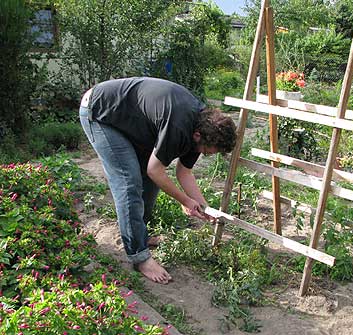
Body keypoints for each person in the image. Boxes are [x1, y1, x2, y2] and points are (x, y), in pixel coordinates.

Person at [79, 77, 236, 284]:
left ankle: (140, 236)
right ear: (198, 136)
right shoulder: (179, 126)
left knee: (150, 182)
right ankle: (139, 257)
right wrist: (184, 200)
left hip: (135, 123)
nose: (206, 154)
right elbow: (156, 170)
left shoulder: (202, 129)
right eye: (206, 151)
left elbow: (184, 172)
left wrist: (204, 207)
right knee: (129, 182)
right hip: (101, 113)